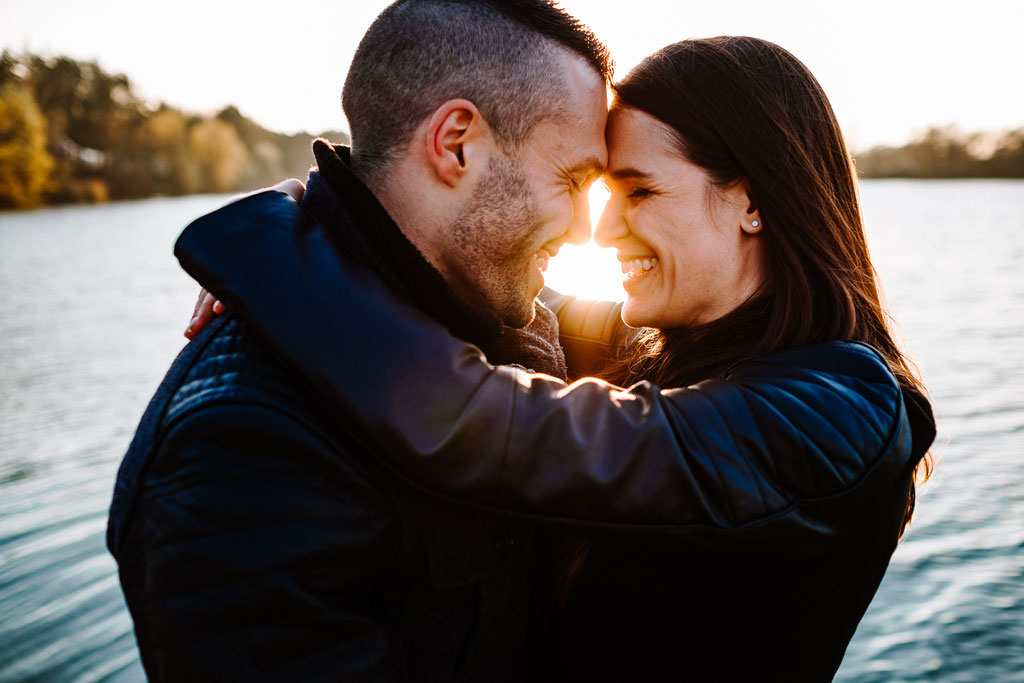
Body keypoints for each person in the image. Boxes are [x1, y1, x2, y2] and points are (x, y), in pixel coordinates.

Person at [181, 36, 936, 680]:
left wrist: (269, 252)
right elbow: (478, 298)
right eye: (594, 191)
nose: (601, 233)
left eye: (637, 191)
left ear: (752, 201)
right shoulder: (653, 351)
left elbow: (482, 420)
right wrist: (327, 215)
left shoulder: (844, 409)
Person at [106, 1, 613, 680]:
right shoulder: (242, 447)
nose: (585, 229)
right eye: (574, 180)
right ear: (457, 143)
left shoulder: (494, 310)